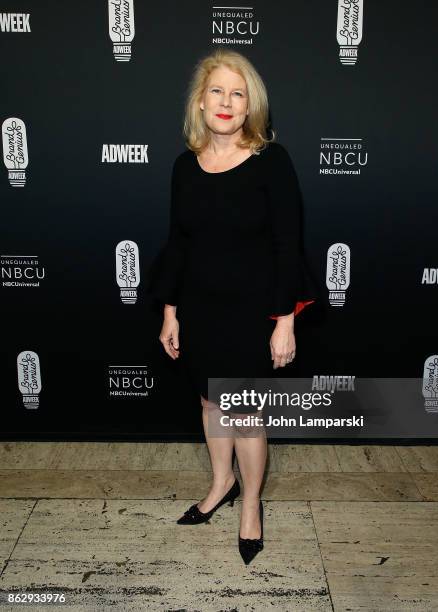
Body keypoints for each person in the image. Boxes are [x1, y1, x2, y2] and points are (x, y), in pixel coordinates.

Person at [151, 48, 315, 565]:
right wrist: (170, 312)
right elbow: (178, 243)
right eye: (216, 91)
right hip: (200, 309)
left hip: (251, 313)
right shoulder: (184, 167)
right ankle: (221, 483)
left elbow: (289, 244)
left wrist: (284, 320)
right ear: (200, 104)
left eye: (237, 93)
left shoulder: (273, 161)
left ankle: (250, 504)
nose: (226, 101)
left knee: (245, 413)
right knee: (208, 403)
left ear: (251, 106)